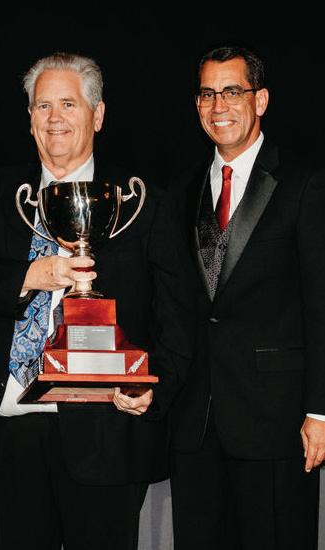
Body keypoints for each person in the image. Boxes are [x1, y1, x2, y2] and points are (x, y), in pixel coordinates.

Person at [0, 52, 183, 550]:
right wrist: (30, 275)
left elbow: (176, 313)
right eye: (42, 105)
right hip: (11, 425)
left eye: (68, 104)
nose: (54, 118)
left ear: (99, 114)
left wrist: (155, 386)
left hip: (107, 431)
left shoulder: (140, 202)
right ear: (29, 118)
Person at [127, 45, 325, 549]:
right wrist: (155, 385)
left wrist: (320, 411)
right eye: (207, 94)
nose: (219, 106)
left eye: (232, 91)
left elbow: (321, 305)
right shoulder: (181, 191)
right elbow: (174, 311)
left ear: (261, 100)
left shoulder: (304, 184)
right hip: (195, 425)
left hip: (277, 421)